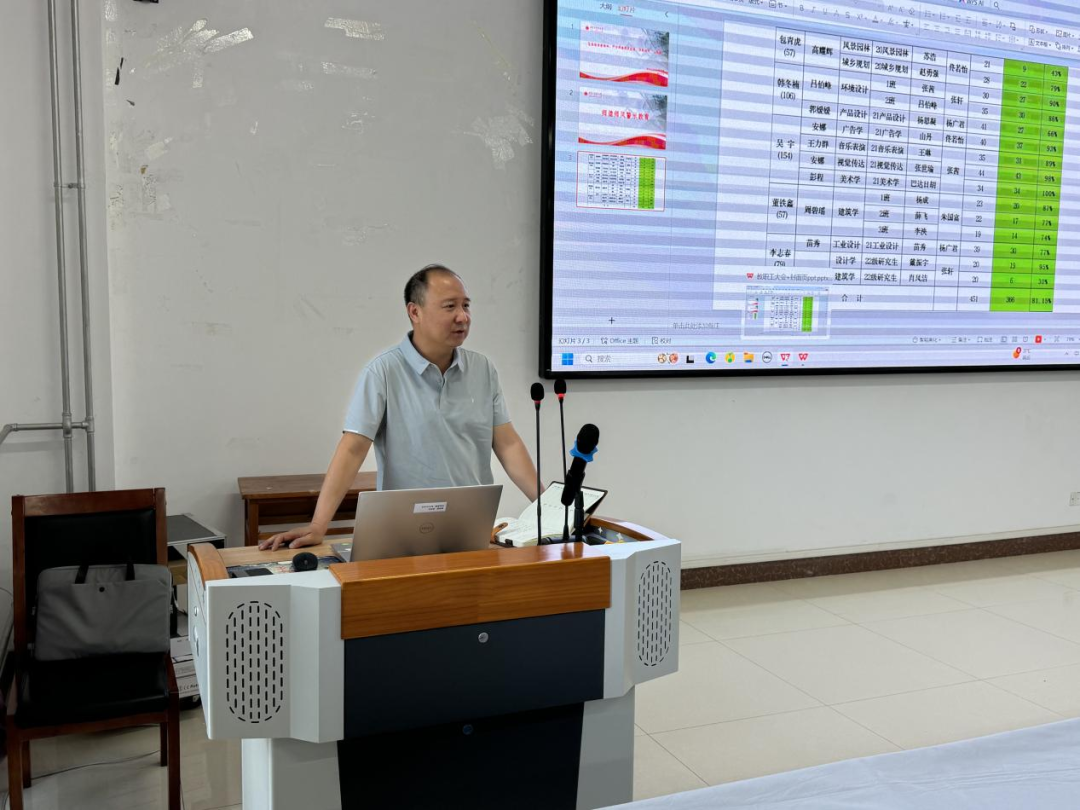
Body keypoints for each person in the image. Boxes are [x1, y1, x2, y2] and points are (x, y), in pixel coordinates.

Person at [260, 264, 540, 550]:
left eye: (466, 305)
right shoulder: (383, 372)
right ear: (414, 312)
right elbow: (353, 448)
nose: (462, 316)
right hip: (407, 532)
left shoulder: (483, 370)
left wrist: (549, 507)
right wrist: (319, 525)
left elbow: (507, 444)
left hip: (470, 528)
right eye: (450, 306)